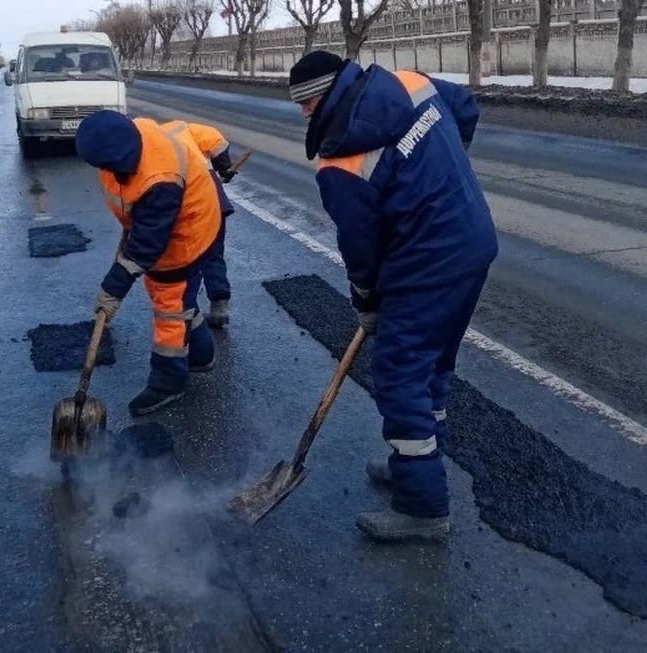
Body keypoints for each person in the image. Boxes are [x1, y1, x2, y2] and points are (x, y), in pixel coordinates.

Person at [287, 51, 499, 542]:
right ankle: (416, 458)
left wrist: (366, 301)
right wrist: (444, 178)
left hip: (425, 266)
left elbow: (362, 251)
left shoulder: (340, 165)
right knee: (433, 365)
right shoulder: (408, 83)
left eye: (306, 102)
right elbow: (465, 108)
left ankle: (422, 507)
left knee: (399, 375)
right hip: (474, 241)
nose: (302, 113)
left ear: (326, 94)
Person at [74, 111, 223, 417]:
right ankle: (202, 355)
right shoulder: (128, 139)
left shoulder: (161, 179)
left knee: (170, 306)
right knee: (178, 300)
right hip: (162, 224)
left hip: (188, 233)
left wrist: (113, 289)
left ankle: (168, 381)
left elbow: (146, 245)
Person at [158, 120, 239, 328]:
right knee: (213, 252)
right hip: (211, 197)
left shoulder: (151, 144)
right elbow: (216, 141)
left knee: (186, 256)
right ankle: (219, 306)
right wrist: (224, 167)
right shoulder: (184, 128)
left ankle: (185, 311)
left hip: (181, 200)